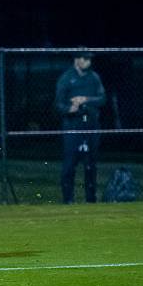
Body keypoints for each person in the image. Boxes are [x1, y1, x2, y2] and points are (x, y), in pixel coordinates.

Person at [55, 48, 105, 204]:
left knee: (90, 164)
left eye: (89, 59)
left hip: (91, 124)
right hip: (73, 125)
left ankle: (91, 199)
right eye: (85, 58)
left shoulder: (94, 77)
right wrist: (70, 109)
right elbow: (58, 103)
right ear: (77, 60)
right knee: (70, 164)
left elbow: (102, 99)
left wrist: (85, 99)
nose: (88, 62)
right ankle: (68, 199)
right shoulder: (67, 78)